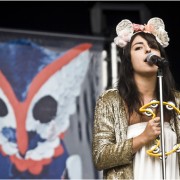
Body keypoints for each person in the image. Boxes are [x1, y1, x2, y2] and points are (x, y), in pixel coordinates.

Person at [92, 17, 180, 179]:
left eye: (153, 46)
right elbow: (100, 157)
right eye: (139, 47)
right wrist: (142, 138)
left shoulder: (176, 101)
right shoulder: (111, 100)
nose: (148, 50)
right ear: (128, 60)